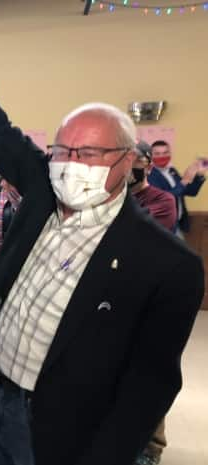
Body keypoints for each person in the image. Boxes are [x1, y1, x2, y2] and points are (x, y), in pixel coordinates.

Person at [0, 2, 205, 464]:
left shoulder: (168, 264)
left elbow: (150, 385)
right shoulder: (44, 188)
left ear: (128, 161)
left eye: (88, 152)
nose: (69, 164)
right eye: (61, 149)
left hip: (58, 426)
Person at [129, 142, 176, 465]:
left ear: (147, 166)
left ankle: (151, 447)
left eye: (137, 161)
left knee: (149, 371)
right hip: (112, 297)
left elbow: (142, 237)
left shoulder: (162, 200)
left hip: (150, 298)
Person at [147, 140, 206, 236]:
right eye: (157, 153)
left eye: (165, 153)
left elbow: (190, 192)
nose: (162, 156)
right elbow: (163, 199)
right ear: (150, 156)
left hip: (177, 223)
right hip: (161, 226)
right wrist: (184, 181)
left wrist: (199, 176)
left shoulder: (172, 171)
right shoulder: (149, 175)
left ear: (170, 153)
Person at [129, 141, 177, 232]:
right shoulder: (110, 194)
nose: (129, 167)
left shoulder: (163, 200)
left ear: (149, 168)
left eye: (137, 161)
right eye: (124, 161)